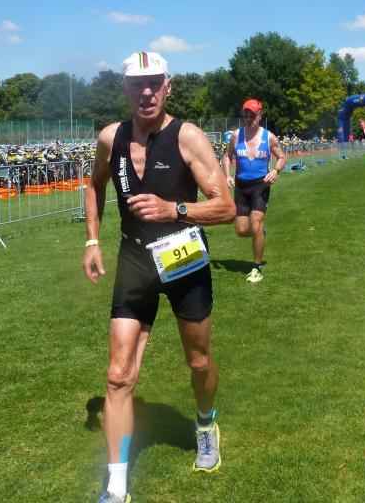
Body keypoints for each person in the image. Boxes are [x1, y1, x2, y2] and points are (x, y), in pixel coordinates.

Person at [82, 51, 235, 503]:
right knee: (118, 375)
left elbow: (226, 207)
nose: (146, 92)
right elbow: (94, 185)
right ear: (126, 89)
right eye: (137, 84)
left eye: (154, 83)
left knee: (198, 361)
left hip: (183, 255)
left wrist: (174, 209)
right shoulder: (111, 137)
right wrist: (92, 241)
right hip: (135, 258)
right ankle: (116, 485)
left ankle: (205, 423)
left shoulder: (188, 137)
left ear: (168, 87)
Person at [222, 99, 286, 283]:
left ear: (260, 115)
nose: (249, 118)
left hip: (260, 185)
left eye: (253, 115)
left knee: (256, 223)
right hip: (241, 187)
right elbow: (227, 156)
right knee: (241, 230)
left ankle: (256, 268)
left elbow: (282, 157)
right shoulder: (236, 135)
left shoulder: (269, 137)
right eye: (246, 115)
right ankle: (259, 233)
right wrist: (228, 175)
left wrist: (275, 171)